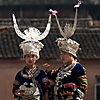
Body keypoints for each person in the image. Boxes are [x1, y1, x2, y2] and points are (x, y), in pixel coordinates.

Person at [44, 1, 88, 100]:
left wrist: (72, 92)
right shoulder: (62, 69)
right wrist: (49, 70)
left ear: (72, 55)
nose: (62, 56)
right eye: (61, 54)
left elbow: (83, 87)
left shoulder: (78, 68)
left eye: (64, 54)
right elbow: (53, 77)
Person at [12, 13, 52, 100]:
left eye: (33, 56)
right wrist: (17, 92)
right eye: (28, 56)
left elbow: (46, 90)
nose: (30, 59)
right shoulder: (20, 74)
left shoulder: (41, 74)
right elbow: (15, 89)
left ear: (37, 57)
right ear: (24, 57)